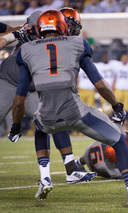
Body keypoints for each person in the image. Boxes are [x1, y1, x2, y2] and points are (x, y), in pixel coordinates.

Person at [8, 9, 128, 206]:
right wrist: (117, 106)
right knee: (119, 141)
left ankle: (45, 177)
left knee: (41, 127)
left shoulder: (26, 51)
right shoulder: (77, 44)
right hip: (77, 113)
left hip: (47, 117)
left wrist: (16, 127)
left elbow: (19, 100)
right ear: (62, 26)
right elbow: (101, 84)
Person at [1, 9, 96, 201]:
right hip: (8, 81)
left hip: (33, 89)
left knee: (53, 118)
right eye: (71, 25)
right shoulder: (40, 20)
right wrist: (16, 34)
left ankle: (71, 171)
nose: (72, 30)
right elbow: (15, 30)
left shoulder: (68, 43)